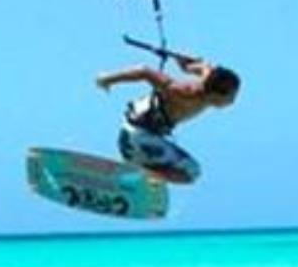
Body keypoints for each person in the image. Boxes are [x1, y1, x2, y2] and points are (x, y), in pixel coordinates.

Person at [95, 55, 240, 184]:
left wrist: (184, 61)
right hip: (136, 139)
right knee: (191, 172)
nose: (233, 101)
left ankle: (142, 171)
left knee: (182, 170)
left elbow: (201, 66)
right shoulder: (183, 93)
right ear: (215, 94)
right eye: (231, 97)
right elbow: (144, 72)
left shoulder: (208, 78)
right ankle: (135, 176)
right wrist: (106, 79)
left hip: (146, 138)